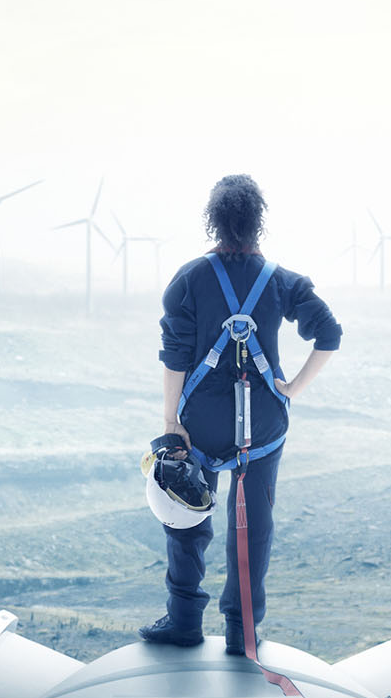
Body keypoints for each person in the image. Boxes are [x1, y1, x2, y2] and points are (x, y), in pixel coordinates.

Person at [140, 174, 341, 654]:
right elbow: (329, 334)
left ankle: (185, 620)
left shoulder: (189, 279)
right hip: (265, 425)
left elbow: (176, 356)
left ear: (213, 220)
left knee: (186, 515)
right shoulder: (283, 282)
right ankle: (242, 630)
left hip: (200, 424)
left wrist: (172, 424)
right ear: (259, 221)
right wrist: (291, 387)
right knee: (254, 524)